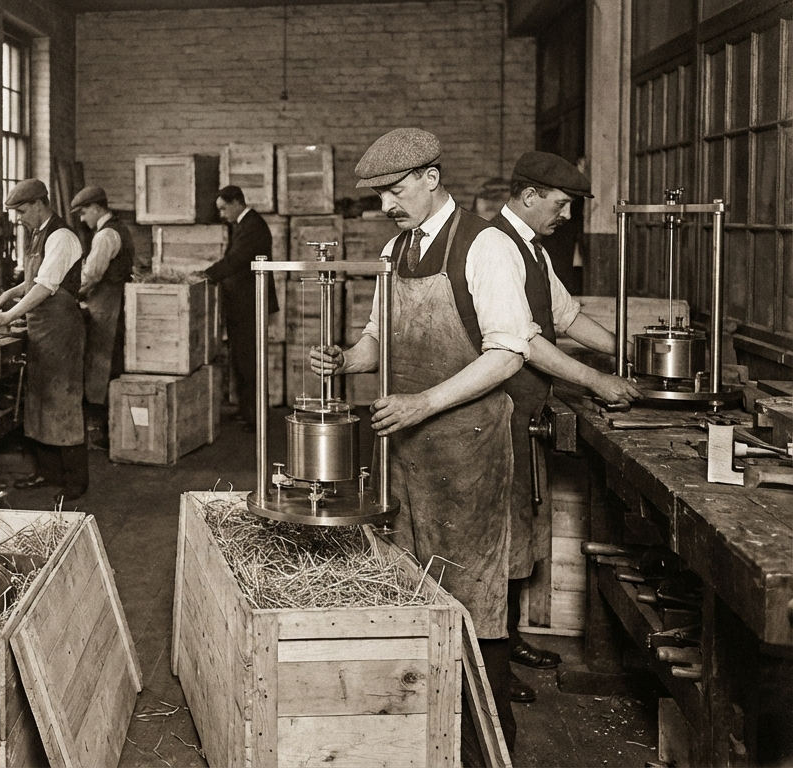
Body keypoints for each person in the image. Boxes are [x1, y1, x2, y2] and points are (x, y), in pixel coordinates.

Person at [308, 128, 531, 751]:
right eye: (379, 194)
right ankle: (423, 737)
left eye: (395, 189)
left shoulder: (485, 248)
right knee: (412, 586)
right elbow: (381, 335)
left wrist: (424, 403)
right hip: (404, 449)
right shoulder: (396, 250)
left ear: (431, 177)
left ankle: (487, 746)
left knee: (473, 599)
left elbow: (509, 352)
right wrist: (349, 359)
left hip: (468, 450)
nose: (387, 204)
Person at [488, 151, 642, 702]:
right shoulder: (496, 249)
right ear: (529, 196)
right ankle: (492, 663)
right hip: (495, 414)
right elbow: (526, 339)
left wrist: (628, 354)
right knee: (500, 533)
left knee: (523, 524)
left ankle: (509, 637)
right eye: (561, 204)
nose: (567, 216)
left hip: (527, 412)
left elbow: (567, 317)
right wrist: (598, 383)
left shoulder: (533, 250)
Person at [0, 179, 88, 502]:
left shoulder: (61, 236)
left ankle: (76, 480)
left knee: (64, 400)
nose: (18, 218)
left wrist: (8, 316)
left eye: (22, 210)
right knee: (41, 400)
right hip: (41, 329)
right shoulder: (37, 235)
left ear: (41, 204)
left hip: (61, 331)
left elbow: (45, 287)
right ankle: (48, 472)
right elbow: (33, 280)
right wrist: (11, 293)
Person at [203, 185, 277, 431]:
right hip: (242, 305)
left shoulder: (252, 227)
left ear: (237, 202)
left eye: (224, 208)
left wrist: (206, 275)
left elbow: (235, 261)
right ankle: (248, 412)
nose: (222, 214)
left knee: (250, 362)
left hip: (249, 305)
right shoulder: (244, 226)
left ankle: (257, 418)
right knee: (242, 360)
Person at [71, 186, 136, 451]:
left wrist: (71, 294)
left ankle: (110, 434)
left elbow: (92, 275)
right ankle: (110, 431)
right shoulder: (119, 228)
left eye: (84, 212)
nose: (82, 218)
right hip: (114, 301)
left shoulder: (106, 234)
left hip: (107, 303)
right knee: (110, 365)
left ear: (97, 208)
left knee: (105, 365)